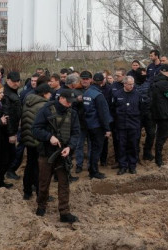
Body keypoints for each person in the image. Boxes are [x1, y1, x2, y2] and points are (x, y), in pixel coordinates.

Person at [32, 88, 81, 223]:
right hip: (46, 152)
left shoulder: (73, 114)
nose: (70, 104)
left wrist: (70, 147)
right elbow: (35, 129)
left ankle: (64, 212)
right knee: (43, 182)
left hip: (63, 153)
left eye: (72, 102)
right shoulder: (46, 110)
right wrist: (49, 137)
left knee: (64, 183)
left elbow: (76, 133)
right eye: (68, 102)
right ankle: (41, 206)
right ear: (61, 98)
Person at [20, 83, 52, 200]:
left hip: (27, 138)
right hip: (38, 140)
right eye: (49, 93)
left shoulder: (28, 100)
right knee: (40, 167)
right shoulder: (44, 105)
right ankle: (41, 194)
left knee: (30, 164)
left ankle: (27, 191)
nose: (51, 95)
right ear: (44, 94)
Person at [82, 71, 112, 179]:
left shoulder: (86, 93)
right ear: (102, 81)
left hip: (89, 125)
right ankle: (94, 172)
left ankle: (92, 169)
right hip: (97, 126)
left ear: (93, 80)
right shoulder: (98, 95)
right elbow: (103, 114)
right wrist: (107, 129)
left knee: (92, 149)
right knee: (96, 149)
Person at [111, 76, 143, 174]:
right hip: (121, 126)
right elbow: (113, 109)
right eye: (129, 84)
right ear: (124, 84)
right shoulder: (117, 94)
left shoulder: (137, 95)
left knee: (133, 146)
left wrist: (138, 122)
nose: (131, 86)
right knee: (121, 146)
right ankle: (122, 166)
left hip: (134, 125)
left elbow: (142, 109)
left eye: (133, 84)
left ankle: (132, 166)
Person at [0, 71, 23, 186]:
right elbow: (6, 114)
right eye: (13, 81)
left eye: (17, 81)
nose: (15, 83)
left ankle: (1, 178)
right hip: (6, 131)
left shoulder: (14, 92)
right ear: (7, 80)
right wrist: (11, 134)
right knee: (7, 156)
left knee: (10, 155)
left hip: (13, 128)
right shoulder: (6, 94)